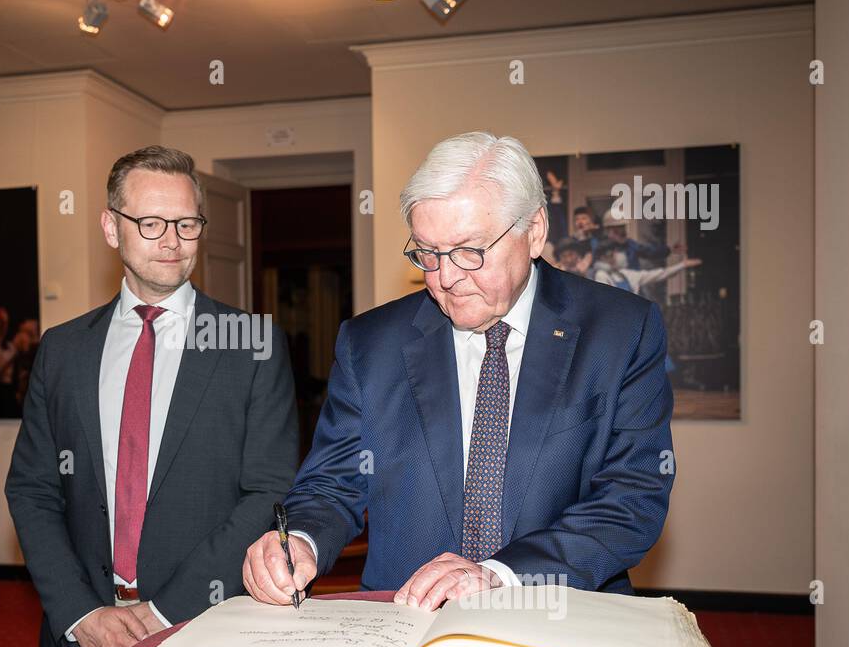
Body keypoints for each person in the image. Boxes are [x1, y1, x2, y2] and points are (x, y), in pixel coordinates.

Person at [243, 131, 675, 612]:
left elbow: (632, 497)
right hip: (404, 623)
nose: (445, 277)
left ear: (533, 231)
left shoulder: (619, 331)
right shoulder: (370, 343)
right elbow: (332, 483)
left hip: (563, 617)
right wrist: (301, 540)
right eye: (427, 253)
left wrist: (499, 575)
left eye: (470, 251)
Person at [5, 145, 298, 647]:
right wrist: (83, 614)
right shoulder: (62, 351)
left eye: (187, 224)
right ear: (112, 226)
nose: (172, 241)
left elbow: (267, 492)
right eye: (152, 223)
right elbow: (32, 489)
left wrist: (164, 611)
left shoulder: (253, 344)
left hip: (206, 635)